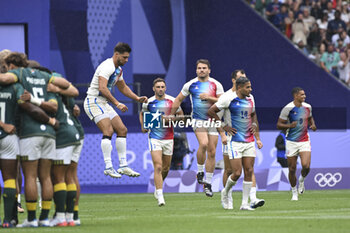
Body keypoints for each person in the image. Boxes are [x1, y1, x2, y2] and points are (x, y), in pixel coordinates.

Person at [0, 52, 70, 227]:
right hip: (49, 133)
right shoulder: (46, 78)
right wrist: (51, 120)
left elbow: (7, 82)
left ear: (12, 66)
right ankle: (44, 218)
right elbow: (65, 87)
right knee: (45, 177)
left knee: (30, 177)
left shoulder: (18, 77)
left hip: (29, 133)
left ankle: (30, 219)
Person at [84, 42, 147, 178]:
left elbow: (122, 87)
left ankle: (123, 166)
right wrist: (117, 103)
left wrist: (137, 98)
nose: (126, 60)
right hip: (93, 101)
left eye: (128, 57)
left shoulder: (118, 69)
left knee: (122, 130)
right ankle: (108, 167)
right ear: (116, 54)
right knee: (108, 131)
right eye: (124, 57)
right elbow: (102, 88)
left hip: (104, 102)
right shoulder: (107, 66)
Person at [208, 76, 263, 211]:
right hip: (234, 141)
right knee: (237, 172)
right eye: (247, 87)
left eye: (250, 86)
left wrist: (255, 124)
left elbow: (254, 114)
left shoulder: (251, 98)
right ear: (239, 88)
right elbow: (211, 111)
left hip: (249, 140)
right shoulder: (228, 98)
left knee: (249, 171)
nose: (250, 89)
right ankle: (225, 192)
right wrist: (224, 126)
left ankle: (244, 204)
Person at [171, 59, 224, 197]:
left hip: (213, 120)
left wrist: (209, 98)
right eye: (199, 68)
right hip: (198, 120)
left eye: (204, 68)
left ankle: (208, 184)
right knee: (204, 144)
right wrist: (172, 114)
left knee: (212, 152)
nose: (201, 70)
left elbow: (223, 101)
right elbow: (177, 100)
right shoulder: (190, 84)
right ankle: (200, 171)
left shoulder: (216, 84)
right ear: (196, 70)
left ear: (209, 70)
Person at [139, 78, 183, 206]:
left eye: (162, 87)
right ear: (154, 88)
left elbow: (181, 115)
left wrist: (171, 119)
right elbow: (142, 114)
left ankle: (159, 186)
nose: (160, 89)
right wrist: (143, 125)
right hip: (154, 137)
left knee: (165, 168)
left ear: (165, 88)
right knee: (157, 166)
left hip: (168, 138)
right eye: (158, 87)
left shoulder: (172, 101)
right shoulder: (149, 102)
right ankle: (160, 195)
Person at [277, 87, 317, 201]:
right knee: (292, 168)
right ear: (295, 96)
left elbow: (310, 118)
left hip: (304, 140)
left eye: (304, 94)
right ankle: (294, 192)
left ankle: (301, 180)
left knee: (306, 166)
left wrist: (312, 125)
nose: (304, 96)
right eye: (302, 95)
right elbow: (279, 124)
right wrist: (289, 126)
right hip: (291, 141)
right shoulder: (288, 108)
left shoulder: (308, 107)